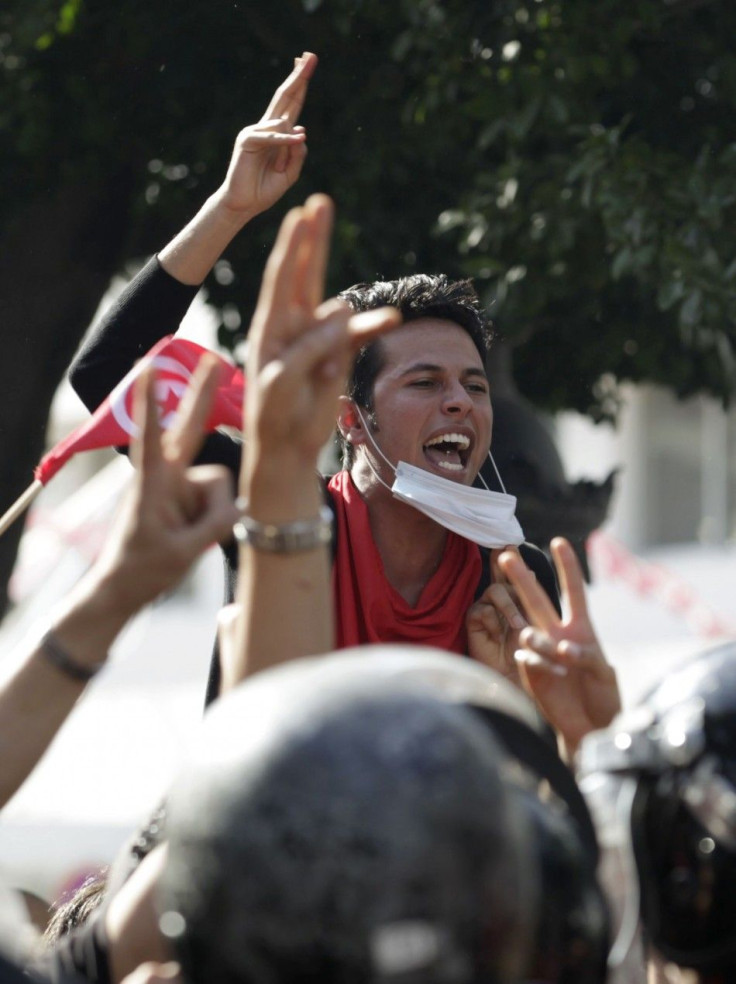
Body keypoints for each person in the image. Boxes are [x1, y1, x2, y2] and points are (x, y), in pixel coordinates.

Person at [68, 52, 563, 721]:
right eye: (424, 381)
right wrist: (230, 208)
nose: (459, 402)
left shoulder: (516, 577)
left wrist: (508, 701)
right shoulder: (281, 512)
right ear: (351, 419)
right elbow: (109, 377)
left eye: (473, 385)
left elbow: (542, 787)